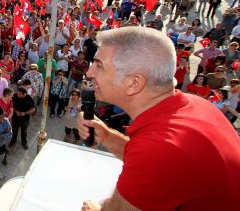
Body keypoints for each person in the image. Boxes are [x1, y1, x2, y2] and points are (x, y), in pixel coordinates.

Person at [77, 27, 240, 211]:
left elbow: (154, 159)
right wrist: (107, 137)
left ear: (134, 83)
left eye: (99, 65)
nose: (89, 73)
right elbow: (165, 168)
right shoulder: (196, 105)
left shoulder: (159, 148)